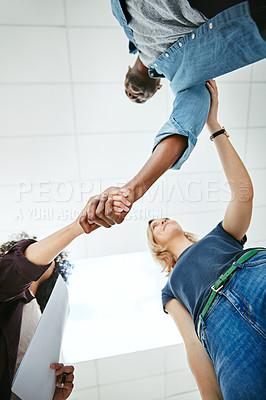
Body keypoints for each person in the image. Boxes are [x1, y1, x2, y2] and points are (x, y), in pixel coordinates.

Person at [79, 0, 266, 232]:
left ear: (127, 72)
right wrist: (132, 190)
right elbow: (181, 128)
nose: (132, 94)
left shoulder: (121, 16)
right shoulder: (186, 81)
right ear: (158, 89)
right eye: (137, 98)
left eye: (127, 92)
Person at [146, 80, 266, 399]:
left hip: (256, 276)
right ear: (157, 247)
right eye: (155, 226)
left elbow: (244, 194)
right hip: (221, 331)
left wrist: (214, 126)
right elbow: (193, 344)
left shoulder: (219, 237)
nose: (160, 220)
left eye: (162, 217)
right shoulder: (170, 291)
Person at [0, 194, 126, 400]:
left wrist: (52, 395)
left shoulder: (41, 317)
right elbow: (17, 268)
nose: (48, 258)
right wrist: (78, 226)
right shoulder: (8, 277)